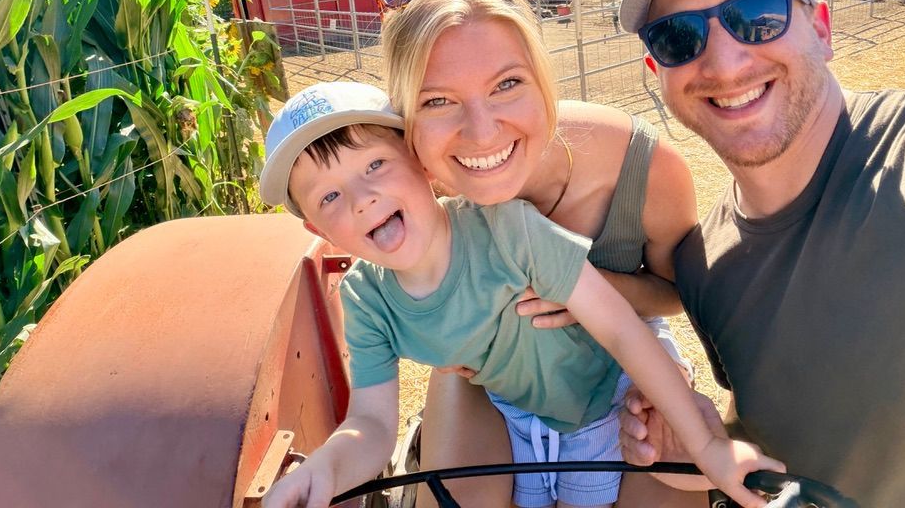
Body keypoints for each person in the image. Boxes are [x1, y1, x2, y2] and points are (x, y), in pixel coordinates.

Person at [615, 0, 905, 507]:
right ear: (657, 72)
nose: (723, 63)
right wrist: (696, 452)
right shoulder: (701, 267)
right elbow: (779, 436)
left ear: (821, 28)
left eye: (757, 15)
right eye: (678, 36)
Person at [257, 81, 783, 508]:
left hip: (609, 393)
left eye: (374, 165)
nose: (362, 198)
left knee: (668, 477)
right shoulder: (367, 302)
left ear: (421, 163)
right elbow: (370, 423)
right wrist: (327, 466)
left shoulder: (509, 230)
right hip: (517, 411)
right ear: (317, 228)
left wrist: (706, 444)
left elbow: (621, 328)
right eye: (329, 195)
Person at [377, 0, 704, 508]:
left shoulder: (645, 168)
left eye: (506, 84)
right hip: (489, 370)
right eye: (437, 100)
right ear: (408, 117)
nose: (481, 132)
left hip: (624, 359)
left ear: (543, 81)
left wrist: (584, 291)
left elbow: (678, 294)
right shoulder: (409, 185)